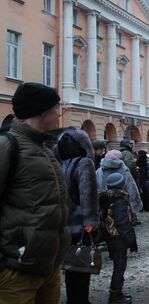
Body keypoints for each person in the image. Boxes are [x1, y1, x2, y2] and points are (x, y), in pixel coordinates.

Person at [0, 82, 70, 303]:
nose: (59, 115)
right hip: (16, 271)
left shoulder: (44, 149)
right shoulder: (7, 145)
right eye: (55, 109)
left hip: (49, 267)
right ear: (42, 111)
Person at [57, 128, 99, 304]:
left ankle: (72, 299)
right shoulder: (84, 163)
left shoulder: (60, 163)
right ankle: (81, 300)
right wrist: (90, 220)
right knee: (83, 264)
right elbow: (87, 193)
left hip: (64, 222)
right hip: (81, 222)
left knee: (70, 263)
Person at [99, 173, 137, 304]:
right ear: (121, 185)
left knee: (117, 264)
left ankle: (117, 292)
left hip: (110, 236)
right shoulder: (120, 200)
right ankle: (115, 295)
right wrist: (131, 240)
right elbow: (123, 223)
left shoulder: (106, 198)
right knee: (120, 266)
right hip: (119, 239)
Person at [97, 150, 143, 222]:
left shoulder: (99, 170)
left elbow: (96, 188)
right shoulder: (123, 169)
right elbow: (131, 187)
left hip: (105, 201)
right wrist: (135, 204)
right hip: (122, 200)